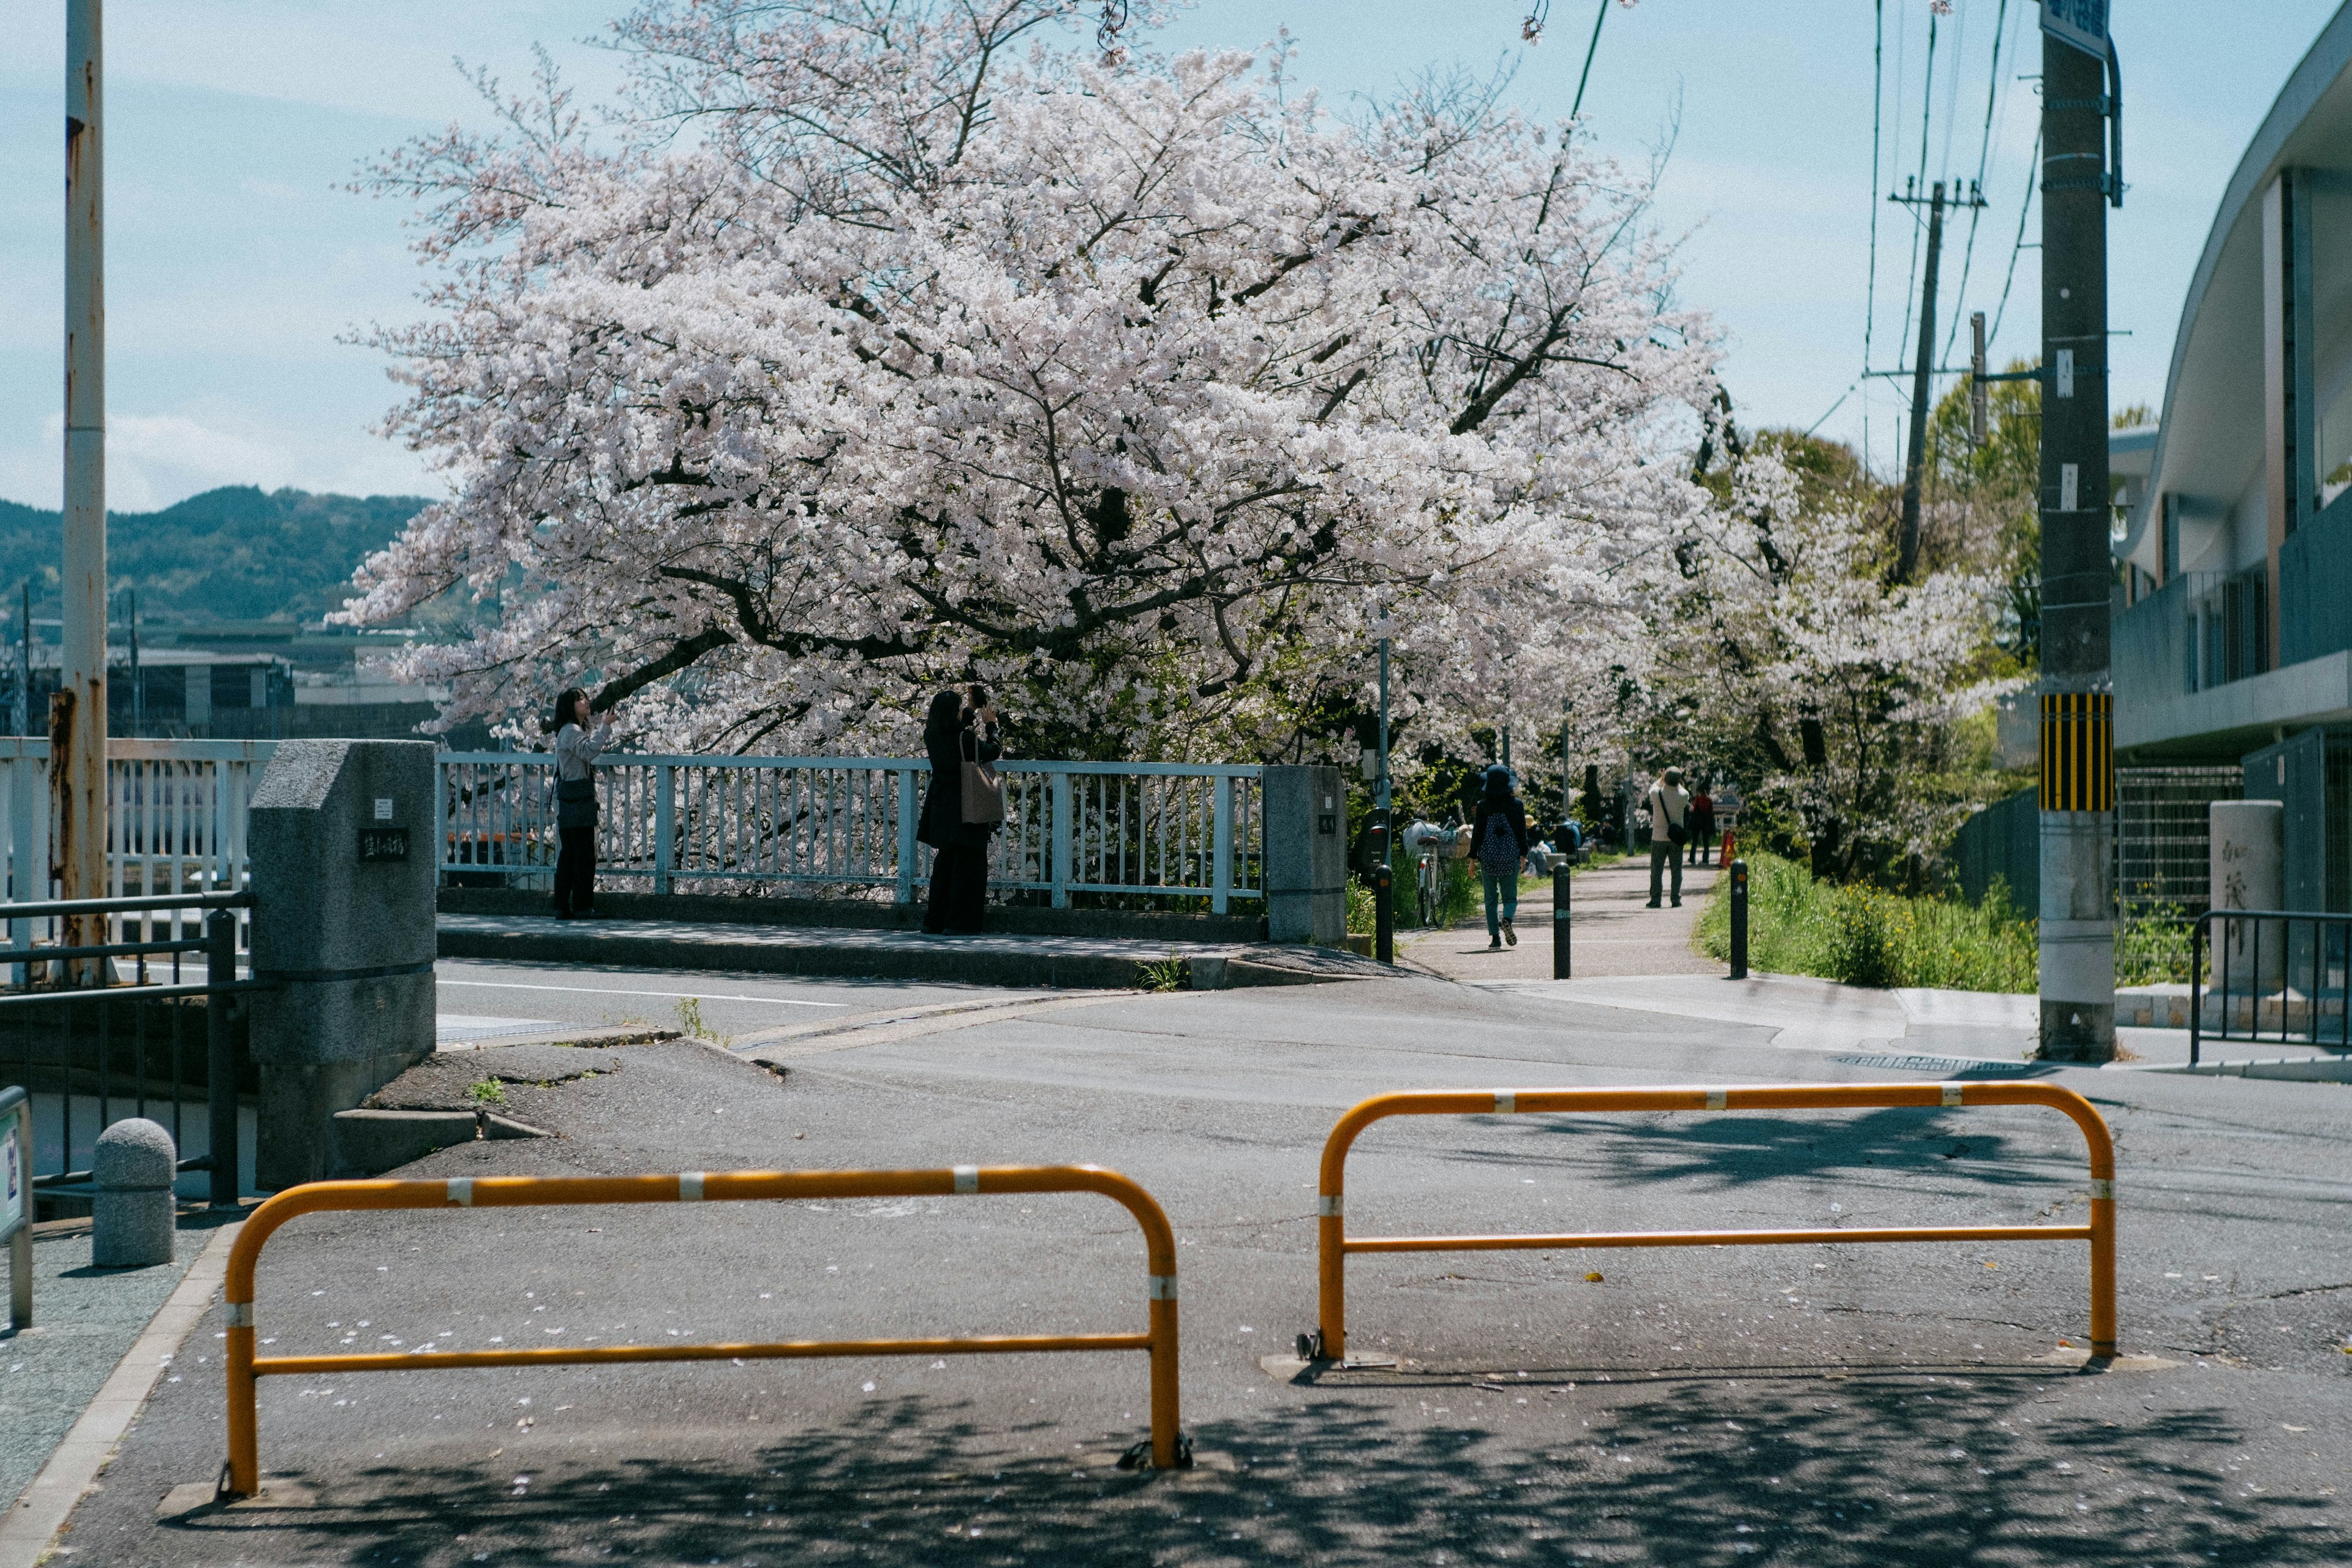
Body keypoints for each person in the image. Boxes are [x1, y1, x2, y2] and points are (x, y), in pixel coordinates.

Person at [917, 684, 1003, 934]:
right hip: (967, 803)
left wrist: (971, 710)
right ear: (954, 713)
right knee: (969, 864)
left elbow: (953, 728)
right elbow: (992, 751)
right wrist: (991, 726)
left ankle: (935, 920)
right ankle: (960, 923)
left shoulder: (930, 734)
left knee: (944, 864)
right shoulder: (964, 738)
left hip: (942, 804)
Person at [550, 687, 612, 919]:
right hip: (578, 796)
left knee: (570, 853)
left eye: (585, 698)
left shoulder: (567, 730)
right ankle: (582, 906)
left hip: (569, 797)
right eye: (580, 699)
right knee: (583, 854)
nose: (586, 702)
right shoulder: (571, 730)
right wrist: (605, 726)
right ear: (570, 706)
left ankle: (562, 906)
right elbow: (588, 751)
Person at [1467, 764, 1529, 949]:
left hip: (1488, 857)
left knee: (1491, 899)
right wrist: (1523, 855)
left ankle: (1495, 938)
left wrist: (1472, 860)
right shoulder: (1517, 805)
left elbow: (1477, 833)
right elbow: (1521, 832)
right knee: (1510, 898)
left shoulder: (1483, 806)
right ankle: (1507, 919)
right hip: (1509, 856)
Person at [1647, 766, 1690, 908]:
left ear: (1665, 778)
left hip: (1658, 837)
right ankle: (1675, 899)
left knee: (1656, 870)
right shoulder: (1684, 795)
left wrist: (1661, 778)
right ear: (1679, 780)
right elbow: (1681, 789)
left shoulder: (1656, 794)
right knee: (1677, 869)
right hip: (1676, 838)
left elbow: (1653, 786)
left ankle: (1655, 899)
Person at [1689, 783, 1716, 867]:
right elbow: (1711, 812)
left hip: (1697, 822)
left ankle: (1692, 858)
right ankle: (1706, 859)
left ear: (1699, 791)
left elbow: (1694, 810)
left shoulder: (1698, 799)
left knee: (1695, 840)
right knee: (1706, 841)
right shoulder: (1709, 800)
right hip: (1706, 822)